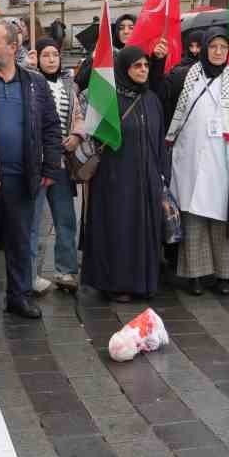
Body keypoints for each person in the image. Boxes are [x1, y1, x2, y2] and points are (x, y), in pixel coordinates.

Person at [0, 18, 61, 323]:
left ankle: (19, 297)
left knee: (20, 239)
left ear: (13, 47)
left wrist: (50, 166)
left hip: (23, 176)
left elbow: (51, 127)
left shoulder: (35, 83)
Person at [166, 28, 229, 295]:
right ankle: (194, 275)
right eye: (213, 47)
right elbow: (165, 99)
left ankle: (224, 275)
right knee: (193, 217)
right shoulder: (186, 77)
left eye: (223, 47)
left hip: (223, 162)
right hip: (189, 160)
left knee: (221, 219)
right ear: (204, 49)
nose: (218, 52)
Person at [80, 46, 168, 301]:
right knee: (120, 230)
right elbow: (95, 137)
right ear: (124, 69)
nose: (142, 71)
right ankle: (118, 284)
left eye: (146, 66)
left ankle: (144, 282)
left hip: (148, 178)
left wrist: (162, 174)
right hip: (116, 179)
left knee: (145, 231)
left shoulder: (151, 100)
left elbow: (159, 139)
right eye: (136, 66)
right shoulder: (110, 100)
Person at [30, 37, 82, 292]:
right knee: (33, 223)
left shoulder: (69, 86)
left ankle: (66, 271)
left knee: (65, 220)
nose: (51, 59)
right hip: (37, 163)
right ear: (37, 58)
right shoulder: (28, 83)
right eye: (45, 55)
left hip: (61, 163)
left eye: (55, 55)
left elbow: (79, 115)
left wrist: (76, 136)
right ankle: (30, 275)